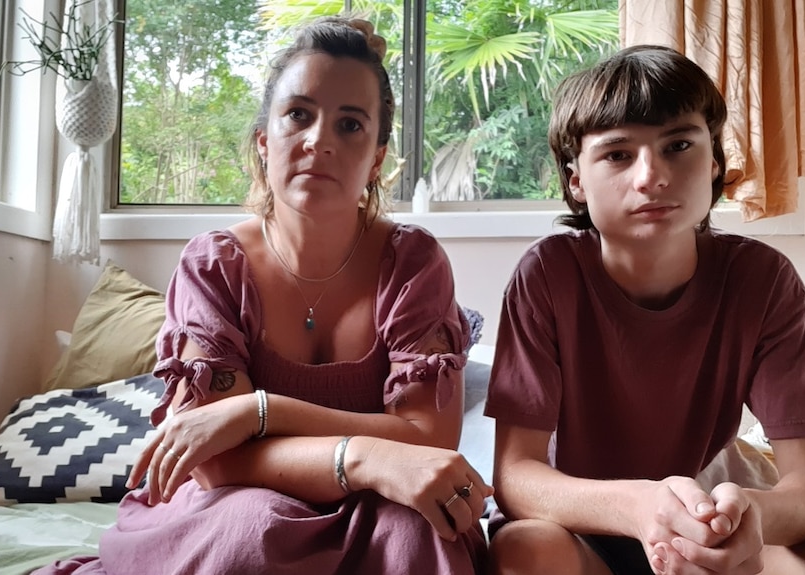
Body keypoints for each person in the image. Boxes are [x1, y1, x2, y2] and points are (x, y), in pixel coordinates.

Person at [35, 16, 491, 575]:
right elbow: (214, 463)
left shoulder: (413, 264)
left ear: (376, 160)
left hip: (379, 507)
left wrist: (257, 412)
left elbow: (426, 443)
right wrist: (366, 454)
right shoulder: (214, 266)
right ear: (263, 141)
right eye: (298, 114)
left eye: (350, 124)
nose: (319, 139)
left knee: (420, 532)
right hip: (233, 503)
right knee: (252, 526)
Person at [484, 45, 805, 575]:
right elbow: (515, 476)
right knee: (523, 552)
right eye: (617, 154)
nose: (651, 176)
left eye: (678, 145)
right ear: (576, 180)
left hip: (703, 527)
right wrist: (639, 506)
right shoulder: (546, 275)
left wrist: (741, 517)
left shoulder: (764, 281)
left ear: (716, 161)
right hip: (582, 527)